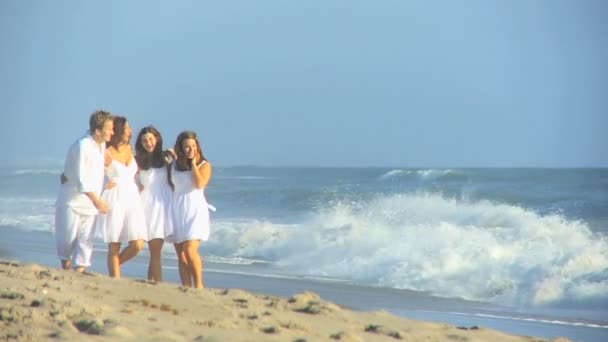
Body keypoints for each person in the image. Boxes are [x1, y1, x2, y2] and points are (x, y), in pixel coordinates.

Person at [55, 110, 114, 272]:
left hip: (90, 205)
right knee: (66, 243)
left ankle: (79, 274)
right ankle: (65, 274)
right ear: (97, 131)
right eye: (109, 129)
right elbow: (82, 180)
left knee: (86, 242)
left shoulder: (101, 144)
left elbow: (96, 169)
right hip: (71, 202)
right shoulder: (82, 146)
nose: (112, 132)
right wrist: (98, 201)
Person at [96, 116, 147, 278]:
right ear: (119, 130)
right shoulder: (106, 152)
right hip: (115, 197)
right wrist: (103, 186)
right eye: (127, 129)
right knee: (114, 244)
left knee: (137, 243)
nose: (131, 131)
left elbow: (135, 171)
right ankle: (115, 279)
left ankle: (114, 269)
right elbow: (93, 172)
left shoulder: (129, 149)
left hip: (132, 198)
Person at [170, 131, 212, 288]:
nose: (190, 149)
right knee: (181, 255)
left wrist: (193, 164)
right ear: (181, 148)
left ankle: (199, 285)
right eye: (187, 147)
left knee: (189, 250)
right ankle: (186, 287)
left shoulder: (204, 165)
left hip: (195, 211)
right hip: (177, 210)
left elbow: (199, 183)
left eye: (193, 146)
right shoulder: (174, 165)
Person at [134, 126, 174, 282]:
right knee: (152, 250)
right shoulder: (137, 160)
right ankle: (159, 286)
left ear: (157, 139)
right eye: (144, 140)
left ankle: (151, 283)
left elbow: (175, 179)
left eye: (151, 139)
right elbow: (126, 178)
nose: (148, 142)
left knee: (155, 250)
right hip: (144, 205)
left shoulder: (166, 158)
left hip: (162, 205)